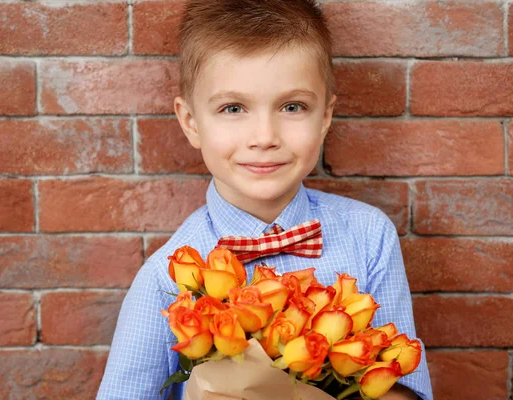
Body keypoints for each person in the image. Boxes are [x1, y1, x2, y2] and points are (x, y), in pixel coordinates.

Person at [97, 0, 433, 399]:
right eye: (233, 108)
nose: (264, 136)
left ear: (325, 116)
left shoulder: (369, 236)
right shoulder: (165, 279)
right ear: (191, 123)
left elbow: (403, 385)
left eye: (293, 107)